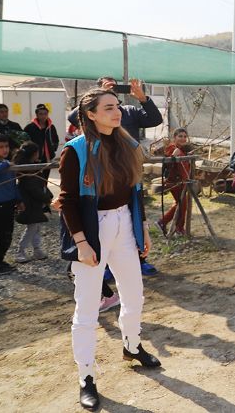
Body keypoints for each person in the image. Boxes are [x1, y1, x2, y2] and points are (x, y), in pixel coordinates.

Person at [58, 88, 161, 411]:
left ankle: (131, 345)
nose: (116, 113)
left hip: (124, 225)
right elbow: (68, 201)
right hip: (92, 229)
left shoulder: (127, 144)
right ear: (90, 114)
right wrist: (81, 242)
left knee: (134, 296)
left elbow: (136, 191)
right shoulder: (75, 151)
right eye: (108, 108)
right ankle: (86, 377)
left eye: (117, 106)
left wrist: (142, 228)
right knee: (87, 309)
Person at [69, 76, 163, 277]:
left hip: (125, 164)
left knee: (132, 211)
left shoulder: (128, 111)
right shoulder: (82, 140)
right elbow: (75, 117)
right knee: (99, 211)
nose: (116, 112)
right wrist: (96, 95)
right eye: (105, 85)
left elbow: (155, 119)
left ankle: (139, 259)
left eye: (116, 105)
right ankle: (103, 266)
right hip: (100, 167)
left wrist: (142, 97)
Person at [68, 77, 163, 142]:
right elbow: (73, 118)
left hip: (128, 160)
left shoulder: (130, 111)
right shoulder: (93, 112)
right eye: (106, 87)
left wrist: (143, 99)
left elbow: (155, 120)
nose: (110, 91)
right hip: (102, 158)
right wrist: (96, 97)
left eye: (114, 87)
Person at [13, 141, 53, 262]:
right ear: (34, 153)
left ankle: (37, 250)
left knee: (36, 227)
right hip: (30, 204)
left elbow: (41, 185)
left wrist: (48, 195)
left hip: (35, 204)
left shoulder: (32, 167)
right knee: (31, 228)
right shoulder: (27, 170)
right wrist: (46, 198)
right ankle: (20, 251)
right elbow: (34, 189)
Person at [0, 133, 22, 275]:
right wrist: (6, 164)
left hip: (8, 203)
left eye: (6, 146)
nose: (5, 149)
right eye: (0, 147)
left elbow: (13, 184)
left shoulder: (7, 164)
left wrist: (19, 200)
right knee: (2, 235)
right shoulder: (3, 164)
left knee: (7, 234)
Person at [158, 128, 192, 236]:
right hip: (174, 181)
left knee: (181, 204)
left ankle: (169, 225)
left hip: (181, 181)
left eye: (184, 136)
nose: (183, 138)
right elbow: (168, 163)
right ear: (175, 137)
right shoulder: (171, 147)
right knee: (182, 204)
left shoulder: (182, 148)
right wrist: (173, 155)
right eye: (180, 136)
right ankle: (174, 226)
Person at [24, 103, 60, 183]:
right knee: (35, 179)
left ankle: (44, 193)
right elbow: (25, 141)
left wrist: (53, 149)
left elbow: (55, 139)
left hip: (47, 158)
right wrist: (30, 153)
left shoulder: (51, 127)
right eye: (40, 114)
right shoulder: (30, 127)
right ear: (36, 115)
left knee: (45, 180)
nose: (43, 116)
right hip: (34, 158)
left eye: (45, 114)